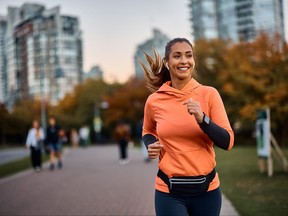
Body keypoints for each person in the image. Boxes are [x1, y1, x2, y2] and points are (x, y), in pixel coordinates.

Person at [140, 38, 234, 216]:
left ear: (193, 60)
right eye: (177, 56)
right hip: (168, 191)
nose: (184, 61)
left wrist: (202, 119)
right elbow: (148, 130)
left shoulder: (209, 94)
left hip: (207, 191)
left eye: (188, 55)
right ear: (167, 62)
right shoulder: (154, 100)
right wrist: (150, 144)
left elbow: (228, 141)